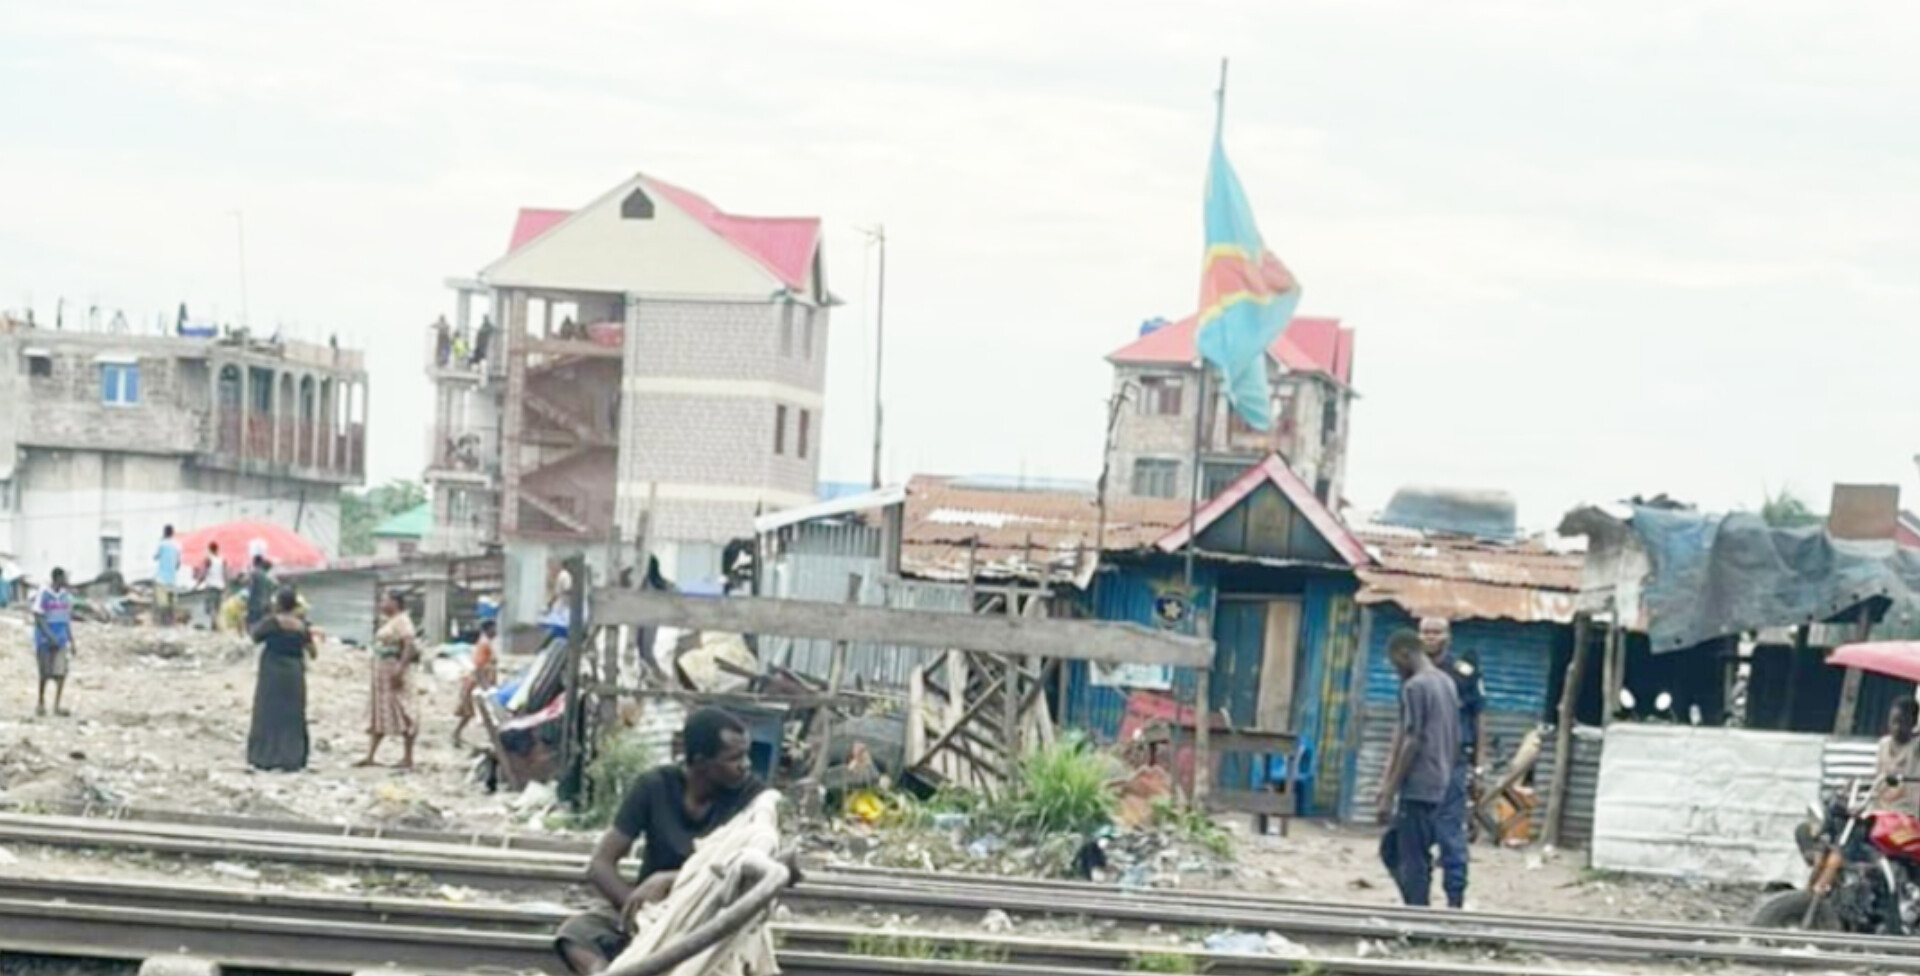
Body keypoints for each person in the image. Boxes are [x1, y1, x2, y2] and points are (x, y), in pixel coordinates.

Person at [554, 708, 764, 975]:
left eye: (746, 755)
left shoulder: (751, 796)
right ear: (700, 762)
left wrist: (671, 878)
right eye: (734, 758)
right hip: (654, 913)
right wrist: (636, 911)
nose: (745, 765)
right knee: (576, 933)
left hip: (710, 916)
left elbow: (754, 868)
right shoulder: (654, 786)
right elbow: (600, 865)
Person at [1376, 629, 1459, 908]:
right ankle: (1415, 908)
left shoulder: (1415, 686)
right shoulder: (1446, 682)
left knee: (1413, 858)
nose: (1395, 670)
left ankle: (1418, 917)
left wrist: (1390, 790)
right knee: (1392, 849)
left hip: (1419, 784)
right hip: (1441, 780)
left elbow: (1412, 739)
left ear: (1404, 654)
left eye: (1394, 663)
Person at [1420, 616, 1484, 909]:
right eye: (1425, 632)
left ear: (1448, 637)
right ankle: (1417, 903)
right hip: (1417, 764)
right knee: (1415, 835)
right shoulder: (1412, 670)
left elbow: (1479, 717)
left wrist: (1478, 767)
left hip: (1453, 763)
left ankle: (1454, 902)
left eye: (1437, 632)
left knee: (1449, 832)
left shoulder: (1463, 673)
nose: (1430, 637)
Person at [248, 587, 316, 772]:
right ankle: (293, 757)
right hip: (294, 672)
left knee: (268, 712)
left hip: (273, 671)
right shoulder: (302, 625)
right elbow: (313, 652)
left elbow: (254, 636)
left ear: (278, 604)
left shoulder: (272, 622)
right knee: (293, 714)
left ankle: (266, 757)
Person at [359, 591, 419, 769]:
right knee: (380, 712)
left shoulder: (402, 621)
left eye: (385, 600)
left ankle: (408, 756)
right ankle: (370, 755)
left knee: (404, 711)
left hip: (394, 674)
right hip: (382, 676)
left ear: (395, 602)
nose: (381, 603)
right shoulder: (390, 622)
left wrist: (400, 670)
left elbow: (409, 645)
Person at [30, 569, 78, 717]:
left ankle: (56, 705)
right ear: (57, 578)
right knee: (44, 673)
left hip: (61, 640)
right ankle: (41, 702)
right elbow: (39, 618)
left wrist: (72, 640)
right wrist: (50, 637)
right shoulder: (44, 594)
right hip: (44, 640)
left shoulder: (65, 597)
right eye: (63, 578)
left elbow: (66, 620)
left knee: (61, 673)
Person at [453, 619, 498, 747]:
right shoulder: (484, 643)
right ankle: (457, 734)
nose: (496, 631)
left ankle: (456, 734)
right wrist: (485, 685)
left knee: (470, 712)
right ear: (487, 629)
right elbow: (479, 666)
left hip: (481, 681)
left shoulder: (486, 642)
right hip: (477, 681)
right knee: (477, 711)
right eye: (494, 628)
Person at [1875, 699, 1920, 814]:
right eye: (1893, 722)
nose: (1896, 727)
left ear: (1913, 724)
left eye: (1902, 723)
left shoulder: (1915, 747)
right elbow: (1878, 779)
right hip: (1880, 809)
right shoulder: (1883, 744)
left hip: (1906, 813)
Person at [154, 524, 181, 627]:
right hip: (172, 579)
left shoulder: (161, 544)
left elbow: (155, 556)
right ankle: (171, 623)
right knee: (171, 603)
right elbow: (178, 564)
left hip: (161, 578)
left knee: (162, 603)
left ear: (164, 532)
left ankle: (162, 623)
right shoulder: (177, 546)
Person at [198, 540, 227, 625]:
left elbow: (204, 573)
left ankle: (214, 623)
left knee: (210, 607)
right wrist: (226, 587)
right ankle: (215, 624)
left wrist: (198, 583)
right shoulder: (222, 559)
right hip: (220, 587)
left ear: (210, 549)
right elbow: (225, 574)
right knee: (217, 608)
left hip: (211, 586)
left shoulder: (208, 559)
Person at [245, 555, 277, 629]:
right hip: (265, 603)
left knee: (253, 623)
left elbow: (245, 581)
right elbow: (274, 586)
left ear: (254, 563)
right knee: (261, 624)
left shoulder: (254, 573)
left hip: (254, 604)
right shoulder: (267, 576)